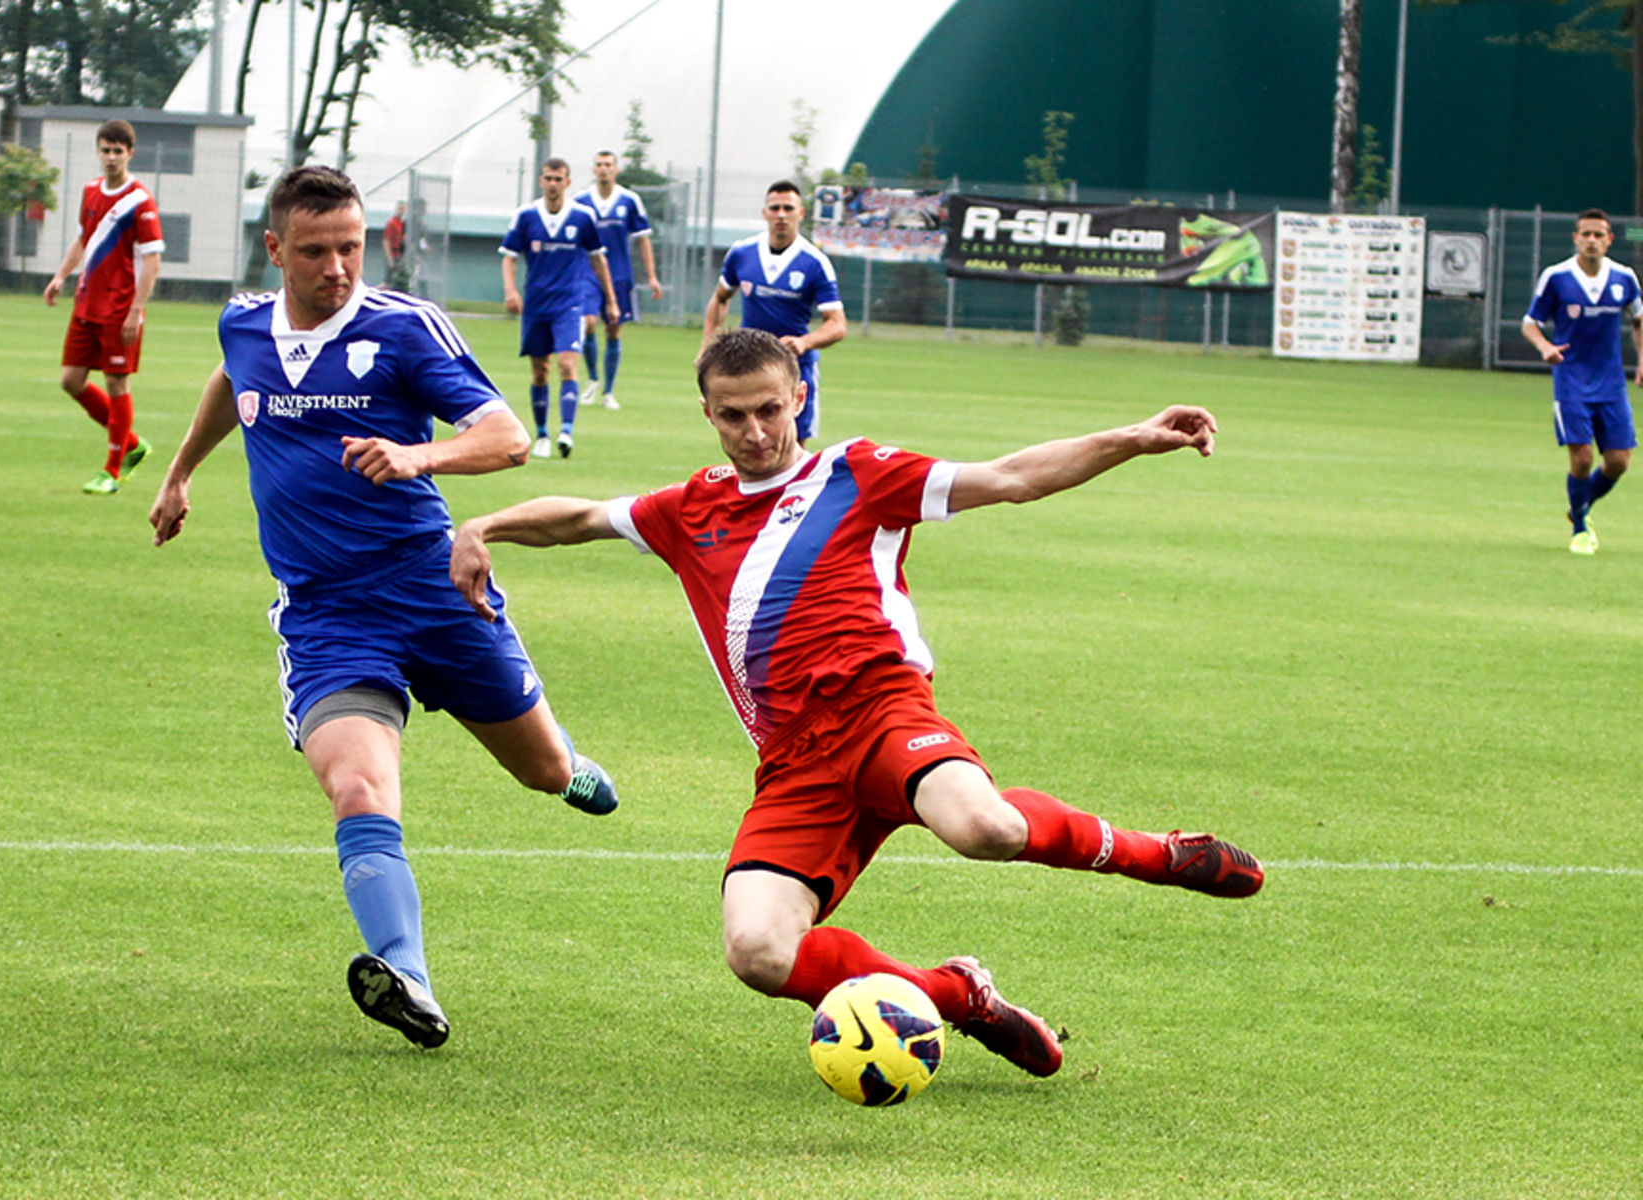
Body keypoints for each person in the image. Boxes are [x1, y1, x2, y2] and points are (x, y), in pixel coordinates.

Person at [450, 328, 1263, 1079]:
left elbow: (1011, 478)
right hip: (795, 766)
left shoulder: (860, 473)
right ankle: (954, 997)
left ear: (799, 395)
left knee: (985, 828)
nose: (755, 431)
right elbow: (581, 518)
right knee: (757, 951)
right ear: (707, 413)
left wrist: (1133, 437)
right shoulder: (688, 509)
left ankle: (1158, 853)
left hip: (884, 715)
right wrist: (485, 523)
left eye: (769, 409)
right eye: (732, 416)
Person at [147, 165, 618, 1050]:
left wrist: (416, 457)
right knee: (359, 784)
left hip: (433, 591)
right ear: (275, 248)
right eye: (317, 250)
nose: (338, 267)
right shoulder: (243, 322)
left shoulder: (400, 331)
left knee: (543, 772)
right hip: (327, 615)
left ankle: (570, 766)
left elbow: (508, 437)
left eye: (353, 247)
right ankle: (408, 974)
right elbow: (229, 382)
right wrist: (179, 474)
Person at [43, 118, 162, 496]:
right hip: (86, 302)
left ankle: (111, 471)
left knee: (115, 382)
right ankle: (131, 444)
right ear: (99, 151)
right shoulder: (91, 190)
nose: (111, 157)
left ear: (130, 153)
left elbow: (153, 259)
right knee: (71, 381)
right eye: (105, 150)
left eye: (118, 151)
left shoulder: (139, 200)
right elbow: (84, 238)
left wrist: (135, 309)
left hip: (119, 307)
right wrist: (61, 275)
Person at [1521, 207, 1640, 555]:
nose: (1591, 240)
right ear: (1575, 238)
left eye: (1598, 235)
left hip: (1611, 382)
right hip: (1571, 380)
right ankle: (1582, 530)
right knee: (1583, 459)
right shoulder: (1556, 277)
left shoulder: (1624, 278)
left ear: (1609, 240)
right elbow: (1530, 323)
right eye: (1585, 234)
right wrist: (1545, 347)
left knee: (1619, 461)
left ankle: (1579, 505)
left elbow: (1638, 319)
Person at [702, 180, 847, 446]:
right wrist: (707, 347)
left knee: (793, 447)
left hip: (794, 368)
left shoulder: (814, 263)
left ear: (800, 213)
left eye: (788, 208)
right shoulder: (742, 253)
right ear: (765, 213)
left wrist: (804, 342)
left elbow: (837, 325)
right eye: (775, 208)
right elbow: (720, 299)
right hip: (748, 366)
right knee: (744, 440)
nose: (781, 214)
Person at [501, 158, 618, 459]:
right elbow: (509, 256)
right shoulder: (526, 216)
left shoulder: (582, 217)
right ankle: (541, 434)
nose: (553, 184)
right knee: (541, 371)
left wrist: (611, 300)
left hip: (570, 304)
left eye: (558, 179)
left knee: (567, 364)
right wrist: (511, 290)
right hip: (537, 305)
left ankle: (566, 431)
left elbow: (597, 258)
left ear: (567, 183)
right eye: (548, 178)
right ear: (541, 181)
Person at [574, 150, 664, 411]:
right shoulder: (581, 201)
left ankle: (609, 392)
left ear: (616, 170)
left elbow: (643, 239)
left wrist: (652, 276)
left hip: (619, 273)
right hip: (588, 273)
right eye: (599, 164)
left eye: (608, 165)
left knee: (614, 327)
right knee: (588, 323)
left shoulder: (629, 200)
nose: (603, 169)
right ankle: (592, 378)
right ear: (593, 170)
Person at [382, 200, 407, 287]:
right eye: (399, 208)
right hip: (392, 254)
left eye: (403, 209)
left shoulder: (403, 223)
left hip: (400, 254)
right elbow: (386, 240)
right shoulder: (392, 223)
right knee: (387, 282)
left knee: (396, 280)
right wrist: (390, 258)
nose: (401, 211)